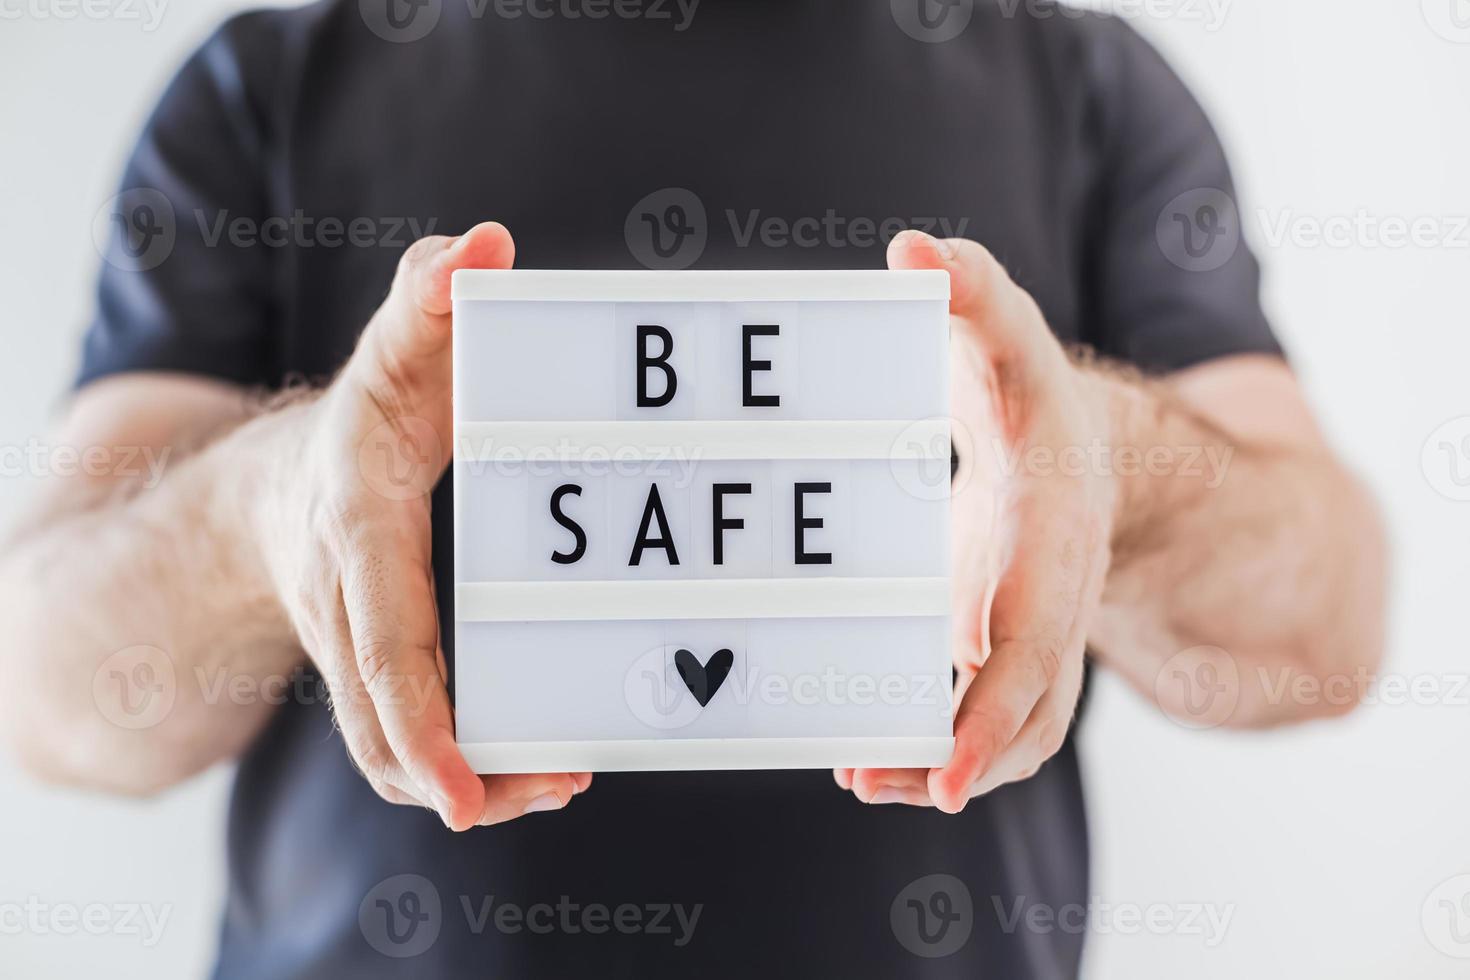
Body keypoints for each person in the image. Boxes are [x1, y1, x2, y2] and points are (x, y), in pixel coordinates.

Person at [0, 1, 1385, 976]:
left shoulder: (1081, 83)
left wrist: (1112, 467)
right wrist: (266, 505)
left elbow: (1323, 633)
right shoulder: (267, 82)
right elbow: (40, 688)